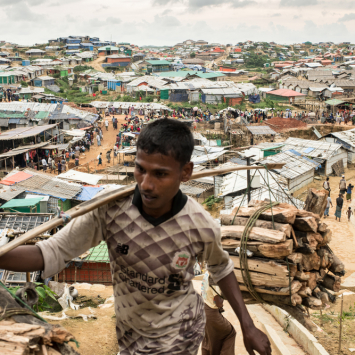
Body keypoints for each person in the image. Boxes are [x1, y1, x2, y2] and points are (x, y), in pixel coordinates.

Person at [0, 119, 271, 355]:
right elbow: (50, 252)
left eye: (160, 174)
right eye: (141, 169)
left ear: (185, 172)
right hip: (131, 334)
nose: (146, 184)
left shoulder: (199, 224)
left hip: (181, 333)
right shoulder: (109, 209)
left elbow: (221, 268)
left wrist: (248, 326)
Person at [201, 272, 236, 355]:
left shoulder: (206, 274)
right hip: (211, 313)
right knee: (230, 332)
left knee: (208, 340)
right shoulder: (214, 280)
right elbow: (219, 303)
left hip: (203, 309)